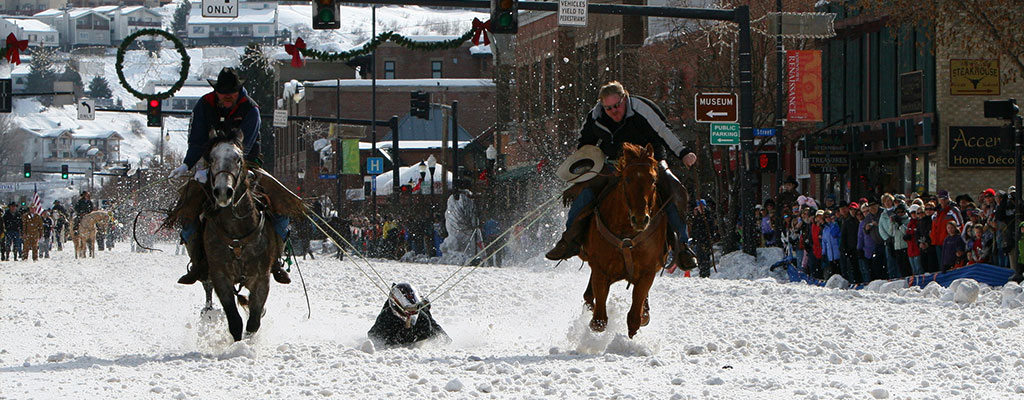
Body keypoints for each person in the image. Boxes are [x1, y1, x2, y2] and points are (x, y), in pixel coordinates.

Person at [167, 67, 304, 286]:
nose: (227, 96)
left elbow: (246, 144)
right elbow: (197, 139)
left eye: (231, 91)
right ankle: (197, 262)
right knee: (186, 210)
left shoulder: (250, 109)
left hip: (247, 163)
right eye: (223, 92)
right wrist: (188, 165)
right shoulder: (204, 105)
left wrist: (241, 166)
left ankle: (275, 260)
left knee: (280, 205)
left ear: (238, 90)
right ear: (217, 92)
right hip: (211, 166)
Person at [545, 81, 698, 269]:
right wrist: (582, 173)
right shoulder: (596, 116)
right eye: (608, 108)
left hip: (650, 161)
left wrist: (683, 152)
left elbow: (664, 132)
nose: (613, 111)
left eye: (617, 106)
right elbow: (585, 146)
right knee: (585, 193)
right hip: (614, 163)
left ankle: (682, 247)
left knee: (674, 191)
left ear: (624, 98)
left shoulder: (643, 109)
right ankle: (569, 240)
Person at [367, 283, 450, 348]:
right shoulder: (386, 317)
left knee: (437, 332)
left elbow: (430, 333)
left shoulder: (423, 318)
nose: (412, 312)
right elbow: (373, 336)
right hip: (394, 324)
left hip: (420, 318)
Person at [690, 199, 718, 278]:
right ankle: (701, 272)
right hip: (699, 239)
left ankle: (706, 273)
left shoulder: (708, 215)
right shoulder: (697, 216)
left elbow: (711, 227)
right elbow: (694, 227)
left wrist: (710, 237)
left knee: (705, 256)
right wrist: (694, 238)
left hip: (706, 239)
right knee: (700, 256)